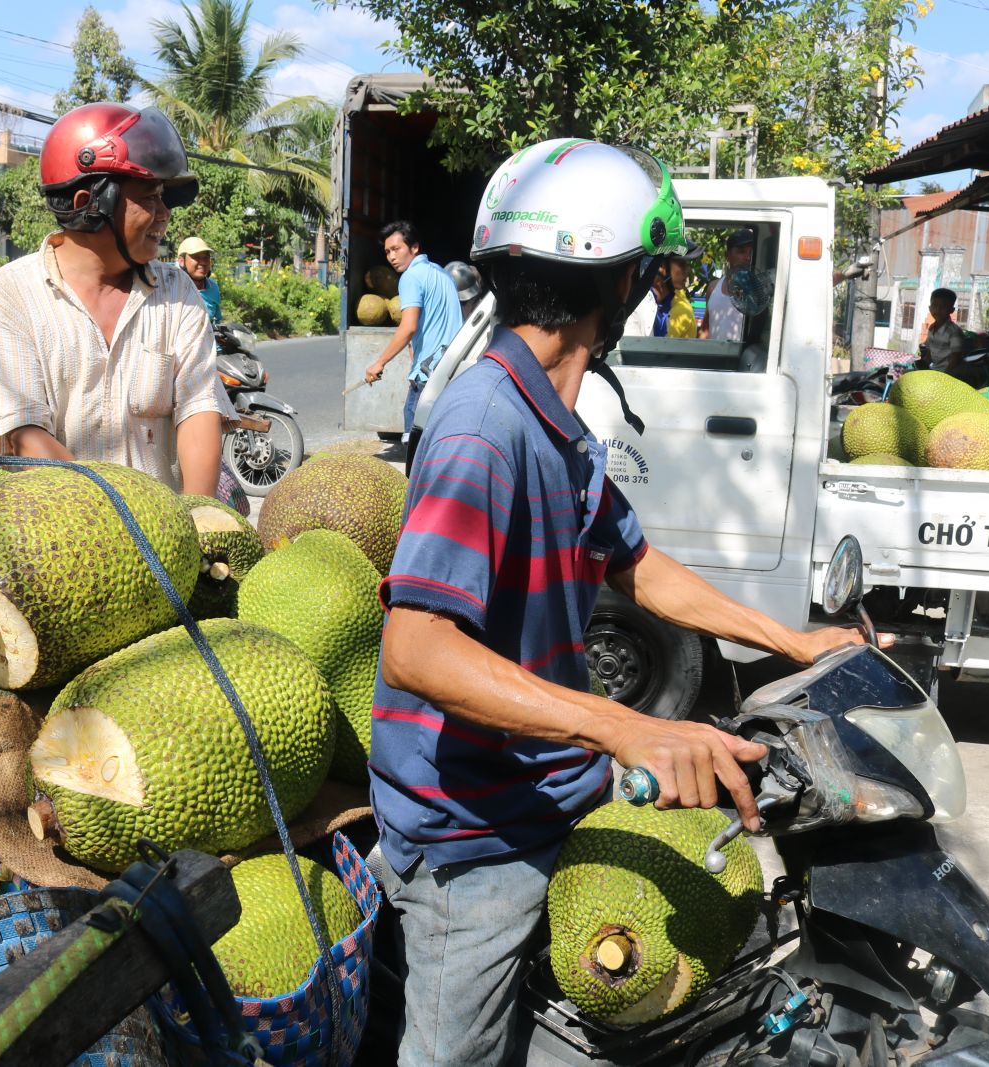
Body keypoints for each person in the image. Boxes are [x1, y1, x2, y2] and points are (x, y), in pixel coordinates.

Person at [365, 139, 868, 1065]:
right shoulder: (485, 429)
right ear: (622, 280)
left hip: (547, 792)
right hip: (472, 832)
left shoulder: (556, 423)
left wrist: (788, 640)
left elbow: (636, 565)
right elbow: (417, 650)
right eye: (650, 270)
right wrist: (623, 728)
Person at [0, 103, 226, 497]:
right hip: (54, 536)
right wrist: (126, 519)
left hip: (164, 537)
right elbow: (24, 435)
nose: (165, 214)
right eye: (150, 198)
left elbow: (199, 408)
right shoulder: (6, 298)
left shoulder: (177, 293)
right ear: (90, 202)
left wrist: (199, 514)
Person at [362, 221, 463, 438]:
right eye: (387, 252)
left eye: (396, 249)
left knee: (415, 445)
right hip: (452, 369)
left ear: (414, 247)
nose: (391, 257)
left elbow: (408, 327)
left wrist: (379, 363)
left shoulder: (410, 277)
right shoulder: (442, 274)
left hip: (428, 375)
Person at [701, 227, 758, 341]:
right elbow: (705, 330)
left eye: (751, 252)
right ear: (727, 255)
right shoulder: (713, 288)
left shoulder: (758, 292)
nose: (748, 258)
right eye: (741, 251)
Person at [920, 287, 969, 371]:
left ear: (951, 310)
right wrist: (922, 365)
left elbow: (956, 357)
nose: (938, 310)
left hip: (947, 374)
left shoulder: (954, 332)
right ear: (929, 307)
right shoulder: (932, 328)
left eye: (943, 306)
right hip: (934, 370)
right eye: (934, 305)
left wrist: (945, 376)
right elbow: (929, 353)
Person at [177, 235, 222, 324]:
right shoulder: (173, 288)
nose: (203, 262)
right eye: (196, 257)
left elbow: (217, 320)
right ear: (182, 261)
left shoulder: (213, 288)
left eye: (206, 257)